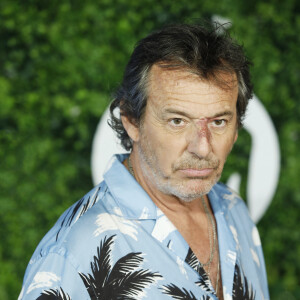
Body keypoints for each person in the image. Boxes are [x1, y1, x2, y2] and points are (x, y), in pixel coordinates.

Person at [19, 23, 269, 300]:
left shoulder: (234, 209)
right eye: (177, 121)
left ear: (236, 128)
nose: (202, 147)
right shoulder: (75, 250)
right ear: (131, 121)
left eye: (219, 122)